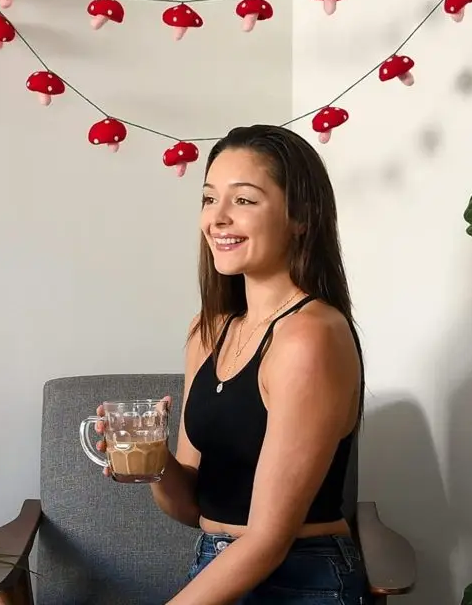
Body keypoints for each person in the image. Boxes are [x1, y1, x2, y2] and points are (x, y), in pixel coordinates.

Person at [96, 124, 368, 604]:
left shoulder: (311, 335)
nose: (217, 218)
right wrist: (155, 463)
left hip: (301, 579)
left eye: (243, 200)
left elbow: (267, 539)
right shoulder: (208, 330)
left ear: (300, 217)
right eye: (208, 198)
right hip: (213, 566)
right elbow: (192, 506)